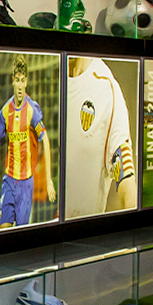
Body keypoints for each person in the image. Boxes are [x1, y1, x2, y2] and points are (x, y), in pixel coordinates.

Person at [0, 57, 56, 228]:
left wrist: (49, 180)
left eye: (23, 81)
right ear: (12, 81)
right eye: (17, 80)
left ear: (26, 82)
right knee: (3, 228)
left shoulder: (32, 110)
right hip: (9, 180)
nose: (20, 86)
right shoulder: (5, 112)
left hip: (25, 184)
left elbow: (45, 139)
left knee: (20, 232)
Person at [64, 56, 135, 219]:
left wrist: (134, 227)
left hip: (81, 231)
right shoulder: (45, 76)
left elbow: (125, 174)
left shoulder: (106, 88)